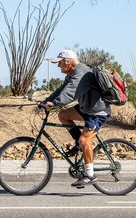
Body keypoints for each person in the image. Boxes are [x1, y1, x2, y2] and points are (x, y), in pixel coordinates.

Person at [40, 49, 111, 188]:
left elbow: (71, 92)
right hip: (86, 108)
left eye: (60, 63)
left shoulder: (81, 73)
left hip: (98, 112)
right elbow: (62, 89)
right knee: (63, 115)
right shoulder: (72, 73)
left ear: (69, 62)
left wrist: (54, 103)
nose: (58, 66)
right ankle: (79, 145)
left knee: (85, 140)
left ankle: (89, 175)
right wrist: (47, 100)